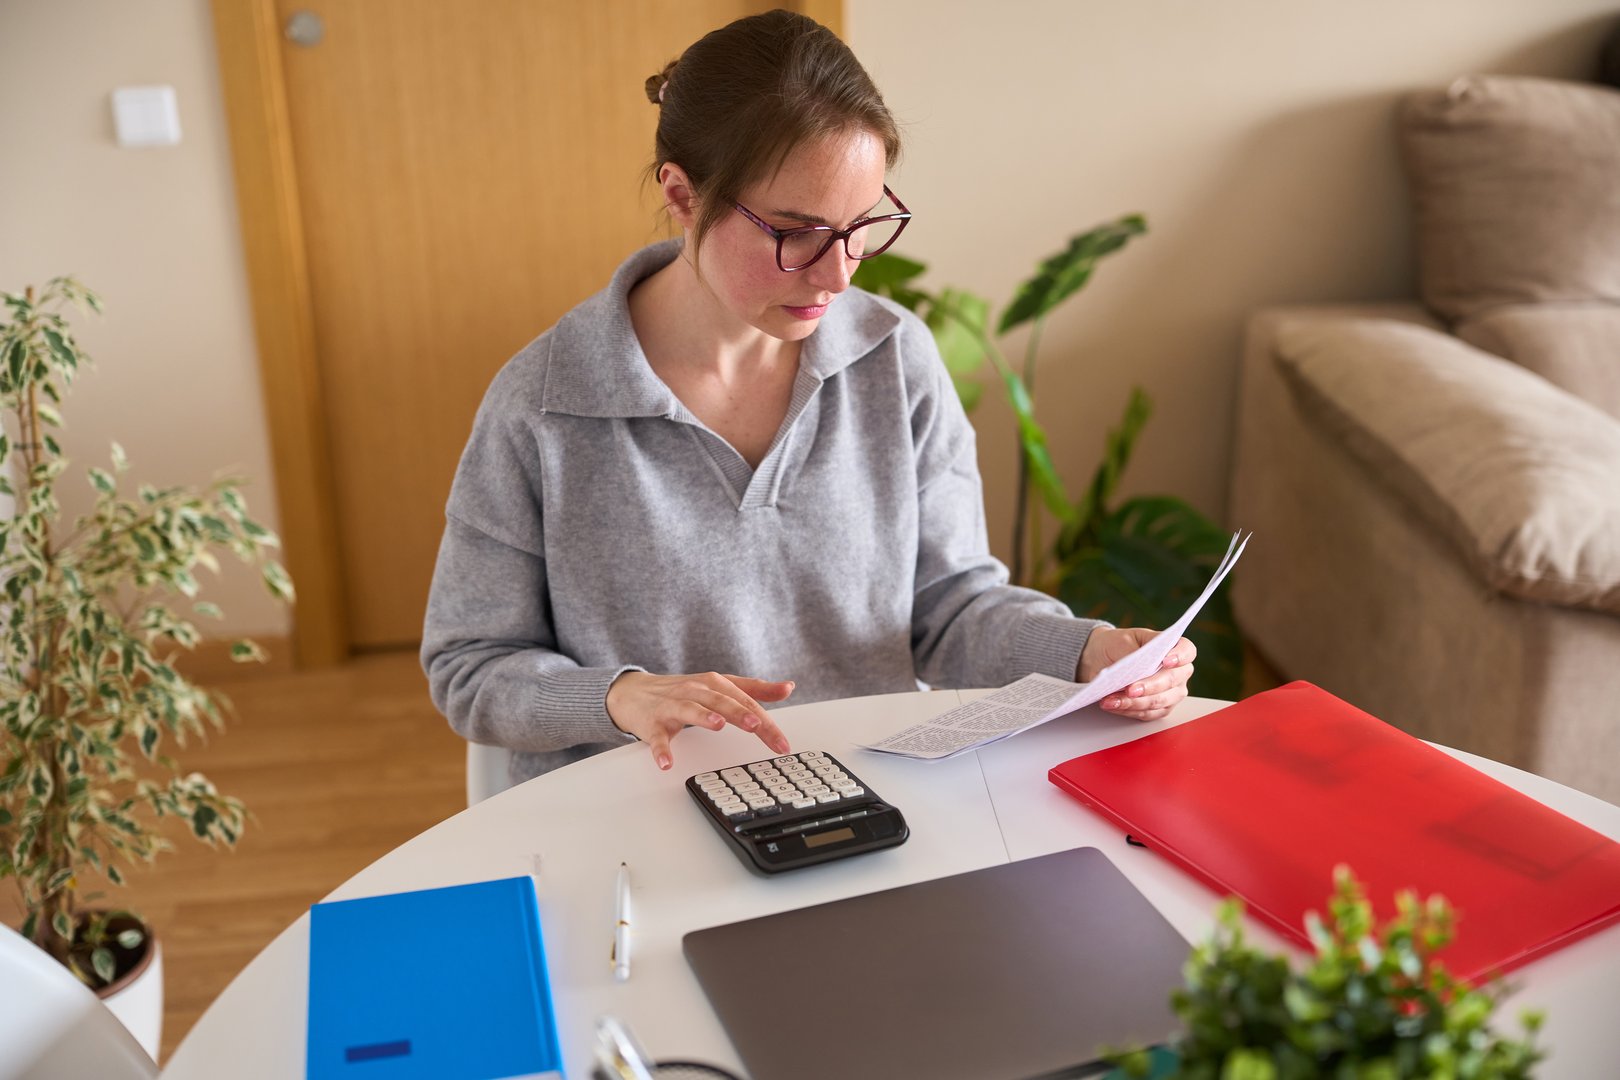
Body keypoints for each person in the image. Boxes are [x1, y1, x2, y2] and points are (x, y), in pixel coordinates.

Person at [421, 9, 1195, 786]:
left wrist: (1089, 651)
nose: (838, 274)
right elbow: (470, 664)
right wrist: (618, 697)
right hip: (628, 811)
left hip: (865, 795)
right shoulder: (544, 406)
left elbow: (951, 606)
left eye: (862, 226)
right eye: (795, 233)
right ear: (683, 196)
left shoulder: (894, 359)